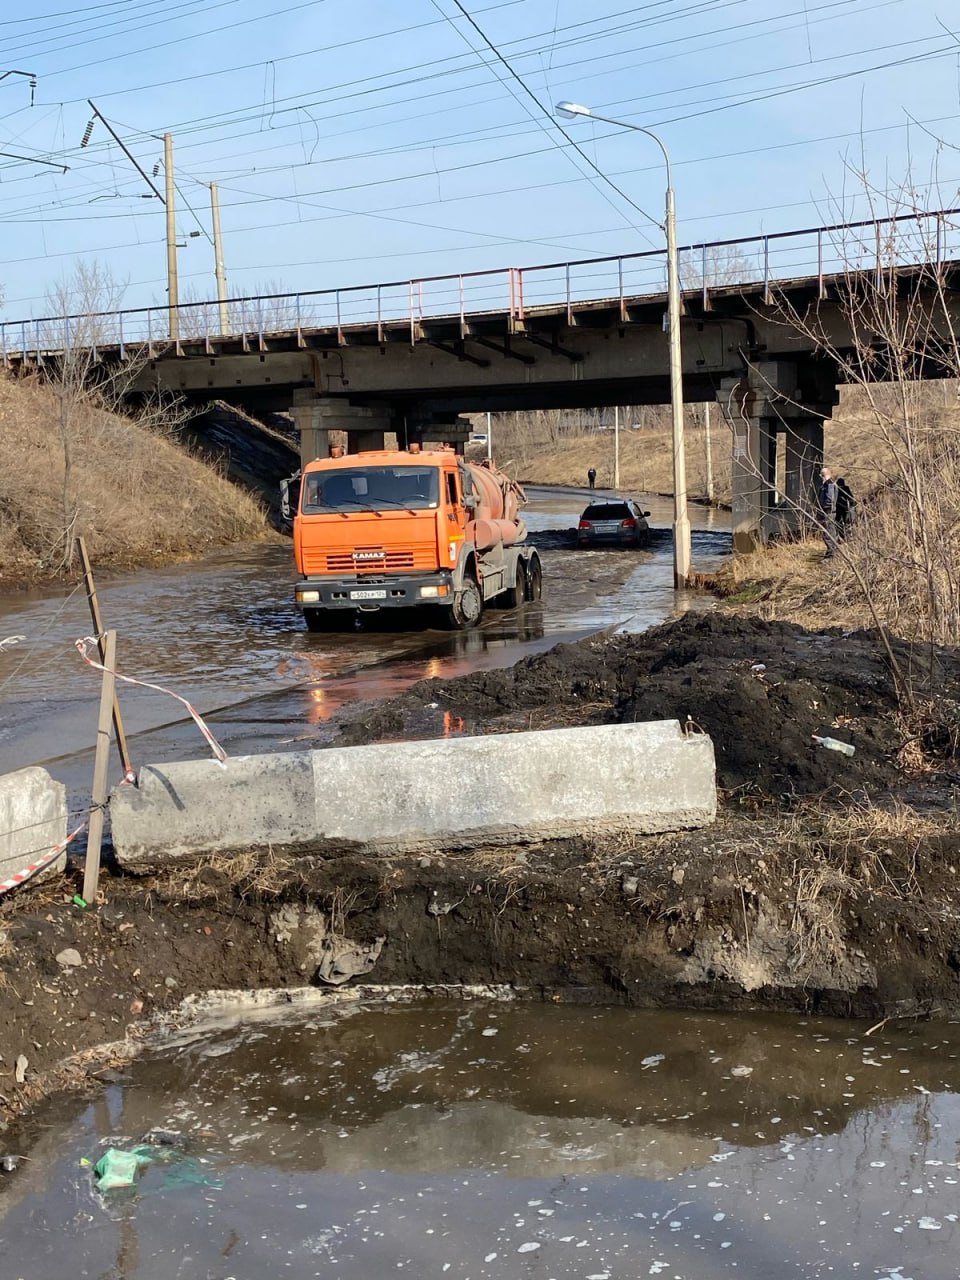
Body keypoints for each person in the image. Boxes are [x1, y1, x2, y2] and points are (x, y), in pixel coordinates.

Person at [817, 466, 838, 558]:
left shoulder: (829, 485)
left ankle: (831, 554)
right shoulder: (829, 484)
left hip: (828, 513)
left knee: (828, 534)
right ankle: (831, 552)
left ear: (824, 475)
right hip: (829, 512)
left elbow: (830, 499)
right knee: (829, 533)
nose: (820, 477)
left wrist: (823, 508)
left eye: (821, 475)